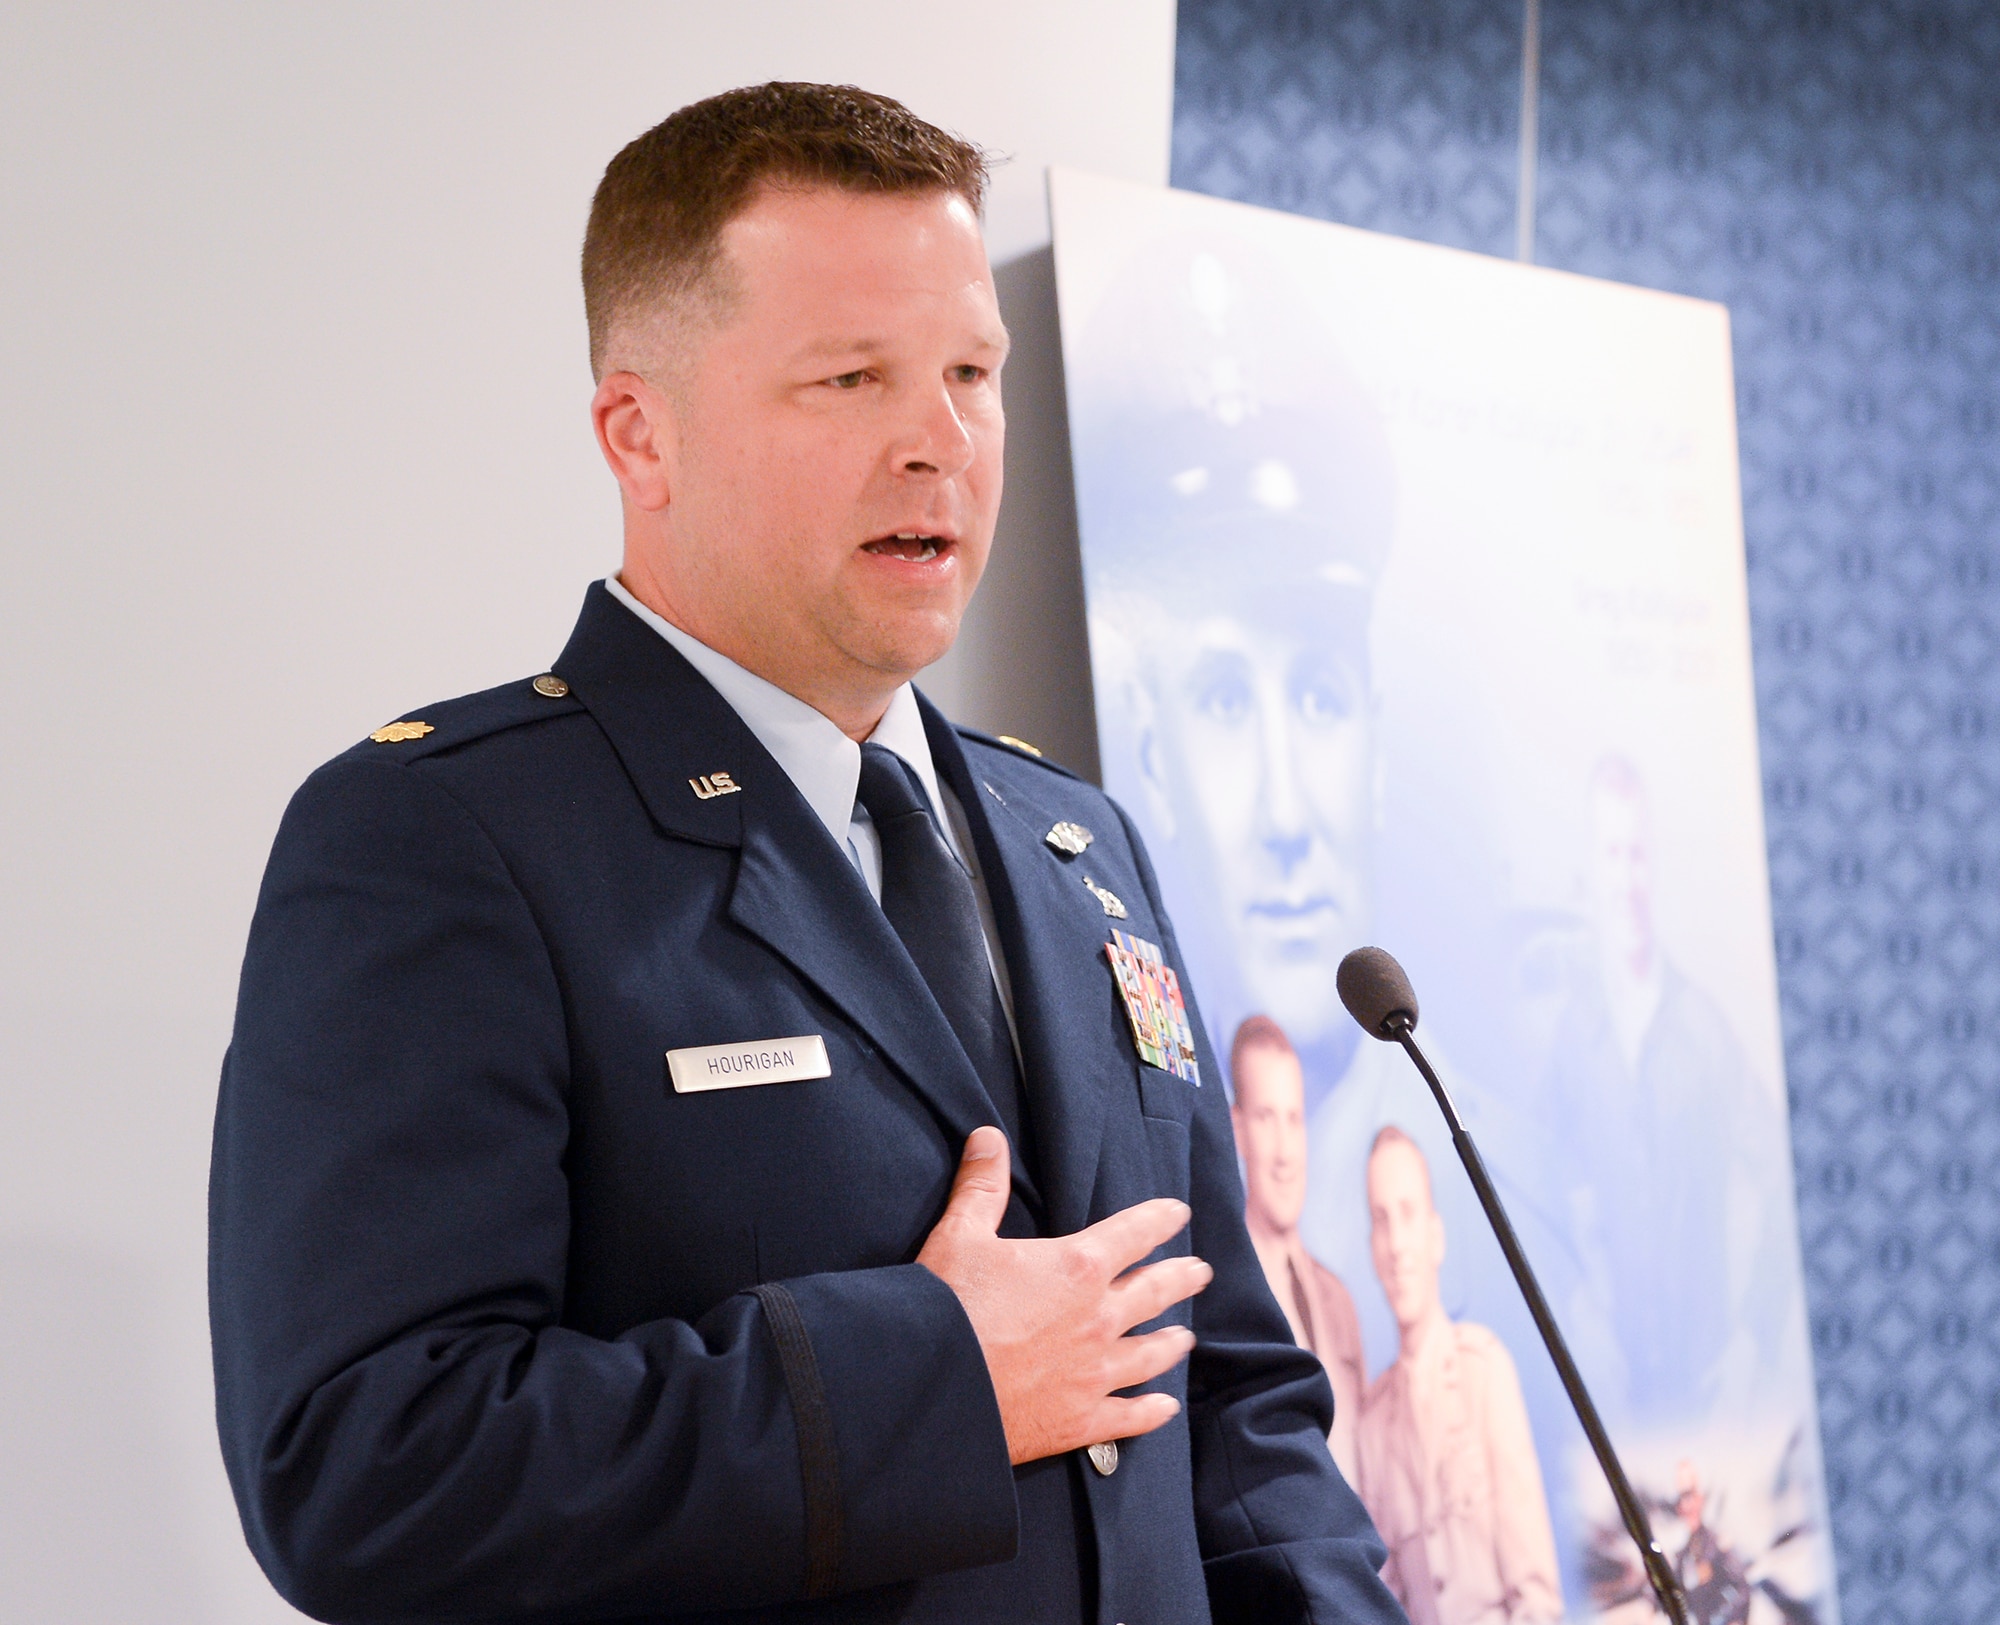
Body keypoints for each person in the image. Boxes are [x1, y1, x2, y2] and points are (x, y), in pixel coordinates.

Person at [207, 83, 1402, 1625]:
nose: (943, 442)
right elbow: (366, 1469)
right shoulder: (444, 842)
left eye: (975, 371)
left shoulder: (1076, 841)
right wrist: (931, 1382)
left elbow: (1233, 1395)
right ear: (641, 434)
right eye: (853, 378)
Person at [1356, 1128, 1562, 1625]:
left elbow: (1536, 1595)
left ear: (1436, 1236)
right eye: (1382, 1221)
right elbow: (1388, 1598)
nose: (1398, 1245)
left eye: (1408, 1214)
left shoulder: (1484, 1371)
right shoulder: (1372, 1425)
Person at [1229, 1014, 1366, 1481]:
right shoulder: (1227, 1292)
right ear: (1239, 1128)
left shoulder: (1338, 1302)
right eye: (1267, 1119)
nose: (1285, 1151)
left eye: (1294, 1119)